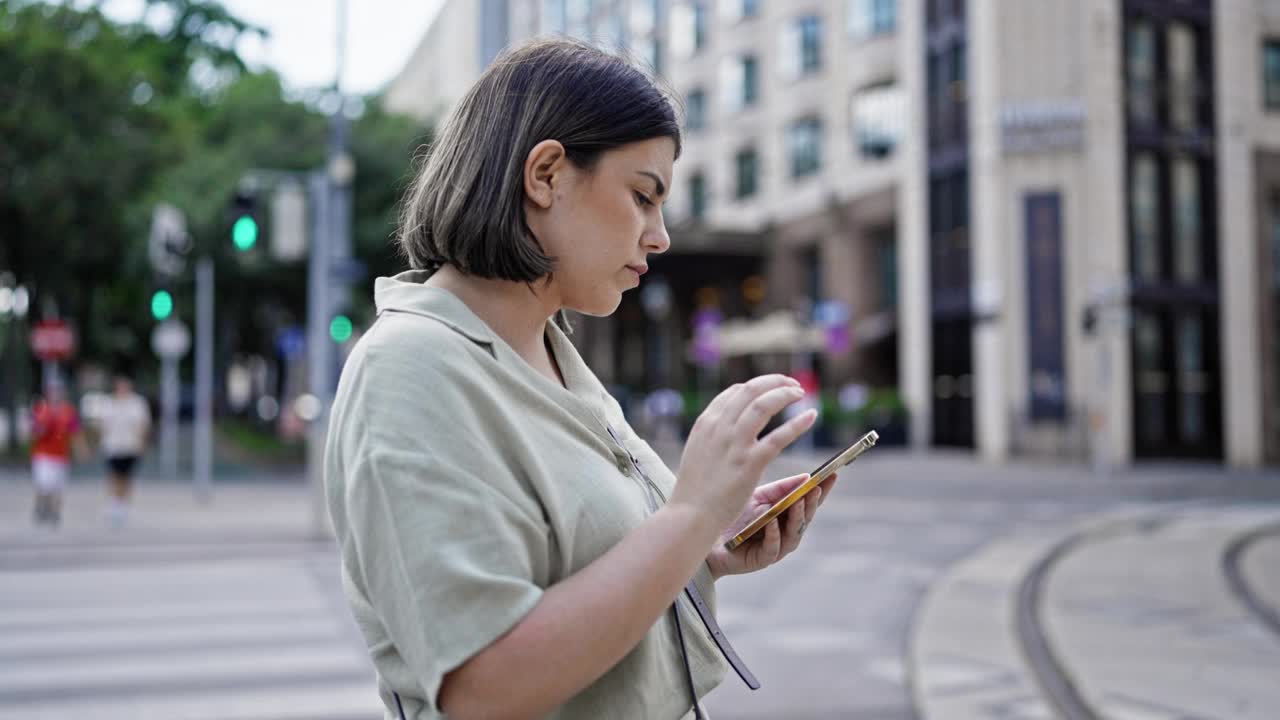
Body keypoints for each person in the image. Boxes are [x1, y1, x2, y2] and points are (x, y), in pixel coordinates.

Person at [324, 39, 839, 720]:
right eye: (642, 196)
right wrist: (687, 518)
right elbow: (483, 686)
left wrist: (705, 545)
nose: (659, 236)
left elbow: (587, 572)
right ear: (546, 175)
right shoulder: (411, 366)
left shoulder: (547, 349)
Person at [96, 370, 151, 528]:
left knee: (126, 477)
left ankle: (123, 505)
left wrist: (142, 443)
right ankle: (114, 504)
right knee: (114, 476)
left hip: (130, 446)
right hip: (113, 445)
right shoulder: (109, 403)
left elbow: (143, 425)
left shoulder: (137, 403)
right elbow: (103, 425)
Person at [30, 378, 81, 528]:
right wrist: (42, 429)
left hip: (61, 455)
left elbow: (75, 431)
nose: (56, 395)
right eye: (53, 392)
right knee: (44, 485)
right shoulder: (40, 409)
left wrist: (79, 449)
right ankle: (42, 506)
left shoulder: (68, 411)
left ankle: (55, 513)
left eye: (59, 391)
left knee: (58, 487)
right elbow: (33, 432)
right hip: (43, 454)